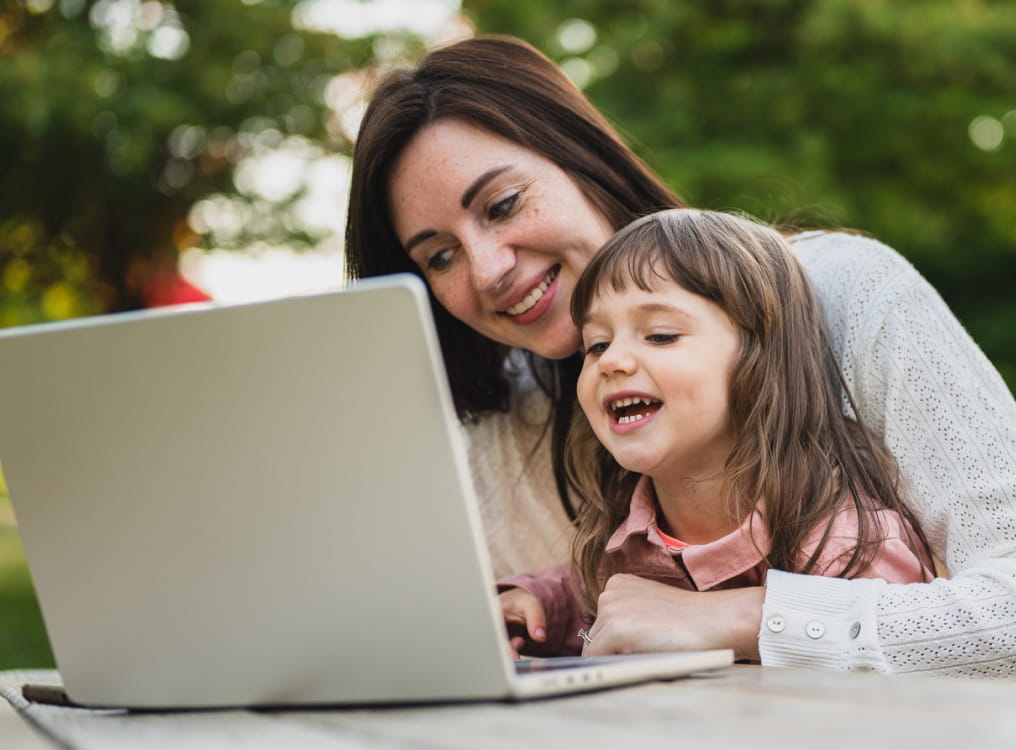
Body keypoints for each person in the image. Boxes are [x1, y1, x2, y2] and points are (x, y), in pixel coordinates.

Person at [345, 35, 1016, 676]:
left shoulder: (845, 291)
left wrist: (747, 617)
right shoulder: (498, 421)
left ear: (585, 160)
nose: (488, 269)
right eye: (440, 256)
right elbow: (580, 601)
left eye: (503, 204)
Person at [496, 208, 933, 657]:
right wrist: (539, 605)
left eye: (661, 335)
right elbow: (600, 602)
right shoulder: (621, 539)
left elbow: (904, 650)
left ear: (762, 364)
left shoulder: (844, 544)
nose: (611, 361)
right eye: (597, 344)